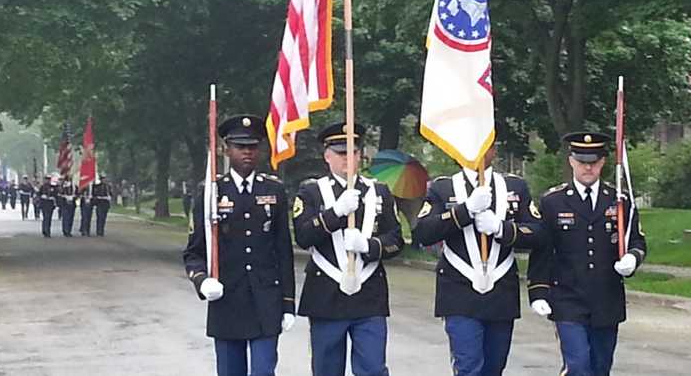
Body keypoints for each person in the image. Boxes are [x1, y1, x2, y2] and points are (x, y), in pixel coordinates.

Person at [412, 143, 544, 376]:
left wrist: (502, 229)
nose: (479, 151)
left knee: (494, 368)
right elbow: (423, 231)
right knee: (468, 367)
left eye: (487, 145)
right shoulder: (443, 187)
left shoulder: (514, 186)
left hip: (500, 291)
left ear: (494, 150)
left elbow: (539, 234)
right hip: (459, 291)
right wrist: (466, 210)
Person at [183, 114, 296, 376]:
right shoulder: (211, 192)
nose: (247, 152)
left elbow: (283, 250)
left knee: (263, 371)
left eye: (252, 146)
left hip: (265, 301)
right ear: (226, 149)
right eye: (240, 146)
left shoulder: (273, 190)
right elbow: (194, 251)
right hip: (228, 301)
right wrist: (202, 281)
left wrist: (288, 303)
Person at [528, 132, 648, 376]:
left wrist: (632, 258)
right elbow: (543, 250)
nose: (588, 167)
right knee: (578, 366)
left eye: (593, 161)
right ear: (571, 161)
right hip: (568, 297)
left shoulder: (619, 201)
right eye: (582, 161)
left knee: (600, 367)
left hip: (606, 298)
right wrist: (538, 292)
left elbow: (636, 241)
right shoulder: (553, 201)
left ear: (603, 162)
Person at [294, 122, 404, 376]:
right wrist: (336, 214)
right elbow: (303, 236)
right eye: (341, 153)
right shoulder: (311, 191)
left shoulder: (378, 192)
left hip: (369, 295)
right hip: (326, 296)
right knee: (327, 369)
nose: (348, 158)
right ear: (327, 156)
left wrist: (370, 246)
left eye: (353, 152)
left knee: (374, 369)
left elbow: (396, 239)